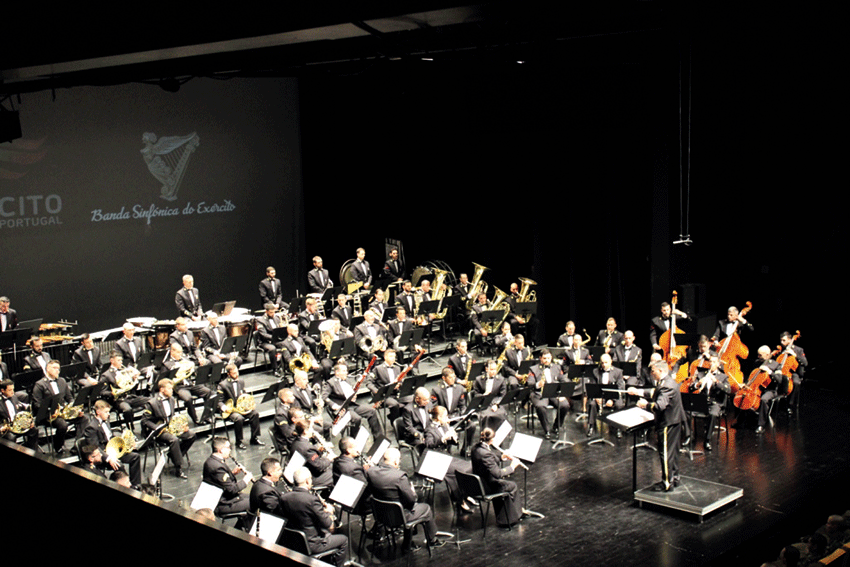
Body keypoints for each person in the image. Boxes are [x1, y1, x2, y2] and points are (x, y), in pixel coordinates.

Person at [366, 447, 444, 549]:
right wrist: (412, 491)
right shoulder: (399, 477)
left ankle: (408, 543)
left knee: (408, 508)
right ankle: (432, 540)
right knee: (425, 508)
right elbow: (411, 501)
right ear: (396, 461)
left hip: (380, 514)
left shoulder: (371, 471)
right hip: (398, 517)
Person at [629, 361, 687, 491]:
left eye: (653, 371)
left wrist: (645, 405)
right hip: (675, 421)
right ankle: (675, 478)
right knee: (674, 452)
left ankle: (667, 483)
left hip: (667, 424)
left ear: (661, 371)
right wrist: (638, 392)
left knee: (665, 453)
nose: (651, 373)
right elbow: (656, 392)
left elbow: (660, 405)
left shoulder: (666, 386)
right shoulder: (668, 382)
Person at [282, 467, 348, 567]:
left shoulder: (284, 497)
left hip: (294, 541)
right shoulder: (311, 500)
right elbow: (328, 524)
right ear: (307, 481)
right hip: (312, 544)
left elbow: (303, 514)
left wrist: (320, 510)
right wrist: (329, 511)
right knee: (343, 540)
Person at [32, 360, 90, 454]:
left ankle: (77, 446)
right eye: (54, 368)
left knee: (84, 418)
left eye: (58, 369)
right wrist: (50, 411)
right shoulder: (39, 384)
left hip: (63, 412)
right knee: (63, 425)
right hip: (49, 415)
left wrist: (75, 409)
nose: (57, 371)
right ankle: (58, 446)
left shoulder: (62, 381)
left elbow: (70, 398)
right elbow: (37, 404)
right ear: (47, 369)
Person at [141, 378, 196, 478]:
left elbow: (172, 416)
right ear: (162, 390)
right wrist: (158, 428)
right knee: (174, 440)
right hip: (159, 430)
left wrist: (181, 426)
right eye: (169, 388)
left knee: (191, 435)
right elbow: (145, 421)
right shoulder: (151, 403)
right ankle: (178, 468)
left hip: (170, 427)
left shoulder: (171, 399)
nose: (172, 390)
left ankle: (173, 455)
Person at [423, 405, 474, 509]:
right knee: (455, 473)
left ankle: (466, 493)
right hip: (435, 460)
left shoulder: (444, 425)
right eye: (445, 417)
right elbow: (429, 445)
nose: (447, 418)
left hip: (446, 456)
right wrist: (442, 438)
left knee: (469, 466)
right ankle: (459, 499)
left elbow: (450, 442)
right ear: (438, 418)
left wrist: (453, 438)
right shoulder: (429, 430)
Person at [471, 427, 523, 527]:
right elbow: (497, 473)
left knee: (507, 485)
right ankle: (515, 515)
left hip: (479, 483)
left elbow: (489, 460)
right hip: (488, 486)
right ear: (492, 439)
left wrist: (502, 457)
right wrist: (512, 467)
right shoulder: (486, 453)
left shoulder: (476, 448)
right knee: (512, 486)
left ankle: (513, 513)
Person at [83, 399, 142, 486]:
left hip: (113, 451)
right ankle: (125, 486)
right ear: (98, 412)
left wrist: (125, 444)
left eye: (108, 412)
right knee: (119, 465)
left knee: (135, 457)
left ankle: (135, 485)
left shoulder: (106, 421)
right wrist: (108, 458)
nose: (108, 414)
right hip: (102, 456)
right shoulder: (91, 427)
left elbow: (110, 437)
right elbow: (95, 448)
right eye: (106, 412)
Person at [322, 363, 383, 437]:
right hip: (342, 409)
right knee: (357, 419)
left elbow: (349, 393)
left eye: (346, 371)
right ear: (337, 372)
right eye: (344, 371)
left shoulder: (347, 380)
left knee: (371, 411)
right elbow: (324, 396)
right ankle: (352, 439)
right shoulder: (330, 383)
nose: (346, 373)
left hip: (352, 406)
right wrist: (333, 405)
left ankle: (378, 437)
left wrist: (353, 396)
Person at [685, 354, 730, 451]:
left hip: (715, 402)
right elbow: (691, 388)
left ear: (718, 364)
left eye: (714, 362)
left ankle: (707, 440)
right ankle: (689, 436)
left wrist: (716, 381)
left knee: (713, 414)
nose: (711, 364)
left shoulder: (723, 376)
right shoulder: (702, 374)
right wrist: (698, 384)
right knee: (687, 411)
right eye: (710, 362)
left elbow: (728, 390)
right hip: (702, 401)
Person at [203, 437, 253, 520]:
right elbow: (232, 490)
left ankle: (242, 525)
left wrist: (233, 473)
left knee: (254, 497)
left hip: (225, 498)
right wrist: (245, 480)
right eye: (228, 447)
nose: (230, 450)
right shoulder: (217, 466)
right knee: (257, 502)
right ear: (221, 450)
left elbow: (220, 481)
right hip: (223, 503)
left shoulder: (212, 460)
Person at [161, 343, 211, 426]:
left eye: (181, 352)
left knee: (208, 392)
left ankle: (206, 416)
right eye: (178, 353)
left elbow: (193, 369)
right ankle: (196, 419)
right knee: (188, 399)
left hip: (190, 384)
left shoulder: (184, 359)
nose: (180, 355)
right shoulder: (166, 364)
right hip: (179, 387)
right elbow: (164, 380)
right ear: (171, 352)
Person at [100, 350, 149, 431]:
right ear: (112, 360)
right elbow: (102, 392)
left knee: (151, 401)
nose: (121, 362)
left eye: (121, 360)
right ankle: (131, 430)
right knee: (127, 410)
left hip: (130, 396)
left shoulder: (125, 370)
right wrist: (112, 393)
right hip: (118, 400)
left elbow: (132, 387)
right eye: (118, 360)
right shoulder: (106, 375)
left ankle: (145, 425)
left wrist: (134, 380)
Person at [217, 364, 263, 449]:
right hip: (230, 410)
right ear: (228, 374)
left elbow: (244, 395)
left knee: (255, 414)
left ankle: (254, 438)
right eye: (234, 373)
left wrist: (249, 405)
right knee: (239, 418)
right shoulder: (222, 385)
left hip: (240, 408)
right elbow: (219, 401)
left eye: (237, 372)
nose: (237, 374)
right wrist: (225, 408)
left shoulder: (241, 381)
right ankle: (239, 441)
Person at [528, 349, 570, 439]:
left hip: (554, 393)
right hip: (539, 393)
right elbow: (530, 384)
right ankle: (546, 430)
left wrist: (562, 393)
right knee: (540, 407)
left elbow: (563, 380)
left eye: (548, 358)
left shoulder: (557, 367)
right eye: (544, 358)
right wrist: (538, 384)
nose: (547, 360)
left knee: (565, 405)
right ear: (540, 359)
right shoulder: (533, 369)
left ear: (551, 358)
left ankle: (556, 426)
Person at [587, 353, 625, 438]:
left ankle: (619, 428)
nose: (604, 365)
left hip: (613, 395)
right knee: (592, 404)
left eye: (606, 362)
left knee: (619, 404)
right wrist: (596, 397)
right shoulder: (595, 371)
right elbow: (593, 386)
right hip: (599, 395)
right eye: (602, 363)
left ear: (611, 362)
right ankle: (591, 426)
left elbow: (620, 387)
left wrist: (612, 399)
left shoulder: (618, 372)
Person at [291, 419, 334, 487]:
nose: (313, 431)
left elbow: (309, 457)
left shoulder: (296, 441)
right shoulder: (307, 447)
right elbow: (319, 466)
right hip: (311, 477)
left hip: (304, 470)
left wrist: (319, 451)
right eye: (311, 428)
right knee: (336, 472)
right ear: (305, 431)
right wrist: (329, 459)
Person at [0, 379, 38, 449]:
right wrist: (1, 428)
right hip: (6, 429)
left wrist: (30, 421)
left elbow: (22, 410)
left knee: (34, 430)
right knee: (11, 437)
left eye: (13, 389)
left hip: (17, 425)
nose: (12, 392)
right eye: (10, 390)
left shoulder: (14, 397)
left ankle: (28, 449)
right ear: (2, 390)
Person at [473, 360, 508, 431]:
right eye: (492, 369)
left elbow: (503, 395)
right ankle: (486, 436)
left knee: (500, 415)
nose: (494, 371)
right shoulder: (479, 379)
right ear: (486, 369)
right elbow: (476, 394)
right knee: (486, 416)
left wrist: (496, 404)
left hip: (496, 402)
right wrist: (483, 395)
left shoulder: (501, 380)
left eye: (495, 369)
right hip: (483, 403)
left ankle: (499, 438)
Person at [778, 331, 807, 413]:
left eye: (784, 340)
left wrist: (795, 355)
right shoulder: (781, 350)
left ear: (790, 340)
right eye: (781, 340)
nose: (781, 342)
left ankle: (790, 404)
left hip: (794, 372)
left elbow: (805, 363)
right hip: (781, 371)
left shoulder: (799, 350)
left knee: (796, 383)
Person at [256, 303, 287, 376]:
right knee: (272, 349)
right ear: (266, 312)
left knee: (286, 344)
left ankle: (286, 366)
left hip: (275, 340)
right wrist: (274, 338)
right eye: (271, 312)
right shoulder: (260, 320)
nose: (273, 314)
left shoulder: (276, 318)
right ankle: (275, 369)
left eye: (274, 312)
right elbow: (263, 334)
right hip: (265, 341)